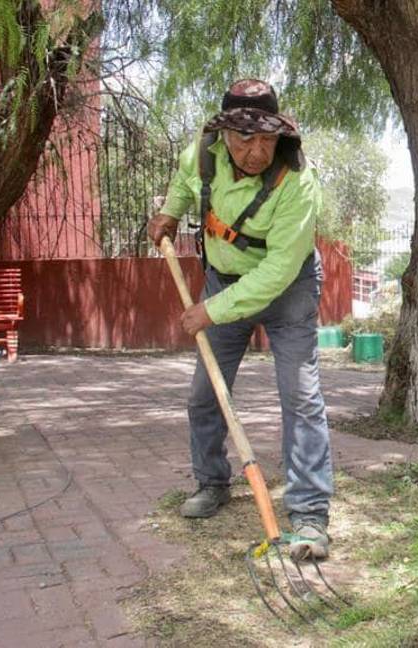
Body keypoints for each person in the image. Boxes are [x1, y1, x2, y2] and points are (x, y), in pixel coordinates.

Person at [147, 79, 332, 560]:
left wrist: (210, 310)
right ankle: (212, 483)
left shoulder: (297, 181)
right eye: (245, 139)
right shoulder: (203, 154)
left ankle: (310, 514)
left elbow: (278, 270)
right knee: (204, 394)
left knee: (301, 396)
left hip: (287, 290)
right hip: (223, 280)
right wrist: (169, 214)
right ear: (224, 134)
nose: (257, 151)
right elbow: (185, 185)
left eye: (266, 139)